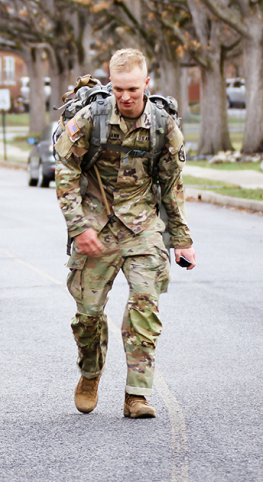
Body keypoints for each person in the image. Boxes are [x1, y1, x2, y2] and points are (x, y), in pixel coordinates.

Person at [54, 48, 196, 419]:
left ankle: (137, 394)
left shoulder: (164, 126)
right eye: (118, 89)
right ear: (111, 84)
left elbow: (172, 186)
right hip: (96, 226)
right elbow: (65, 172)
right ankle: (90, 373)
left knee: (145, 305)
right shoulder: (91, 119)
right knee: (87, 316)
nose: (126, 96)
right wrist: (78, 226)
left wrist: (182, 240)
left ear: (146, 83)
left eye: (133, 88)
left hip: (143, 226)